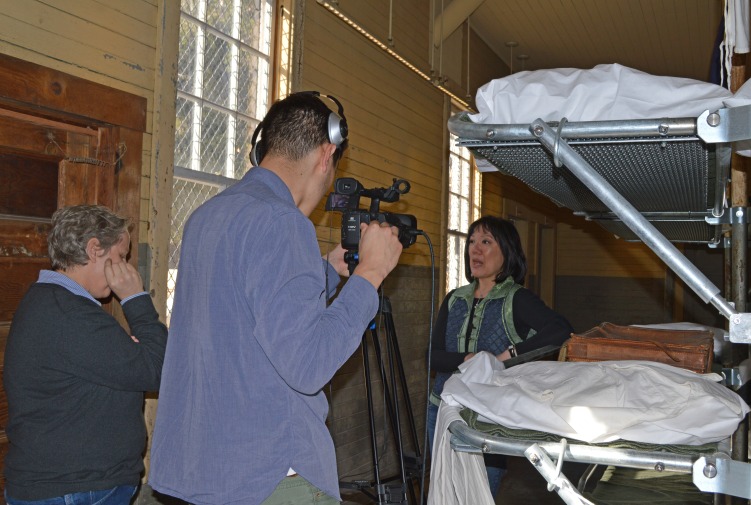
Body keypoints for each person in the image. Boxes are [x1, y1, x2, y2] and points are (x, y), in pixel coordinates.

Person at [148, 91, 403, 505]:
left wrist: (325, 270)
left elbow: (242, 312)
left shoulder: (206, 217)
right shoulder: (284, 222)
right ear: (326, 154)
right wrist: (370, 275)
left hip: (203, 469)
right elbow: (309, 363)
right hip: (268, 475)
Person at [3, 204, 168, 505]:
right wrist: (135, 298)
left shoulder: (57, 305)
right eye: (120, 256)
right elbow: (158, 368)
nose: (126, 267)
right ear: (94, 250)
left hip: (71, 486)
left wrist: (132, 353)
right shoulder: (68, 313)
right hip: (74, 490)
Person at [427, 215, 573, 497]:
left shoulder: (516, 299)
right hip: (443, 411)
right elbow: (432, 358)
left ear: (506, 253)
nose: (475, 249)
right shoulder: (454, 299)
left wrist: (508, 355)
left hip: (488, 417)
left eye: (486, 242)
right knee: (446, 490)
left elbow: (561, 330)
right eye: (471, 242)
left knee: (482, 492)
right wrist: (469, 359)